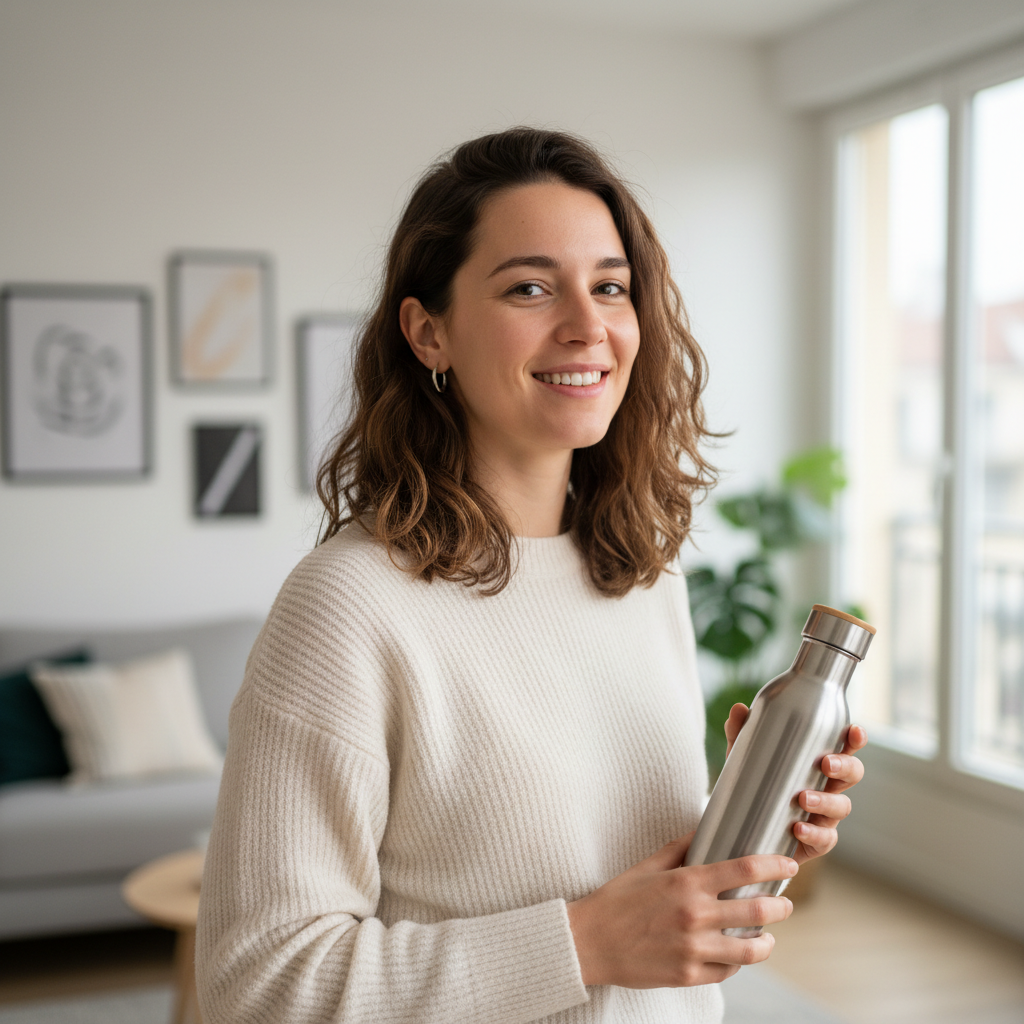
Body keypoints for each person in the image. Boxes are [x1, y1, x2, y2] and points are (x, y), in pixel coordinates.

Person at [195, 127, 866, 1024]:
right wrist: (586, 941)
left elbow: (587, 870)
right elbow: (258, 985)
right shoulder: (347, 607)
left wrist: (742, 834)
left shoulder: (641, 576)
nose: (588, 326)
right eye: (530, 287)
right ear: (429, 331)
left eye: (612, 287)